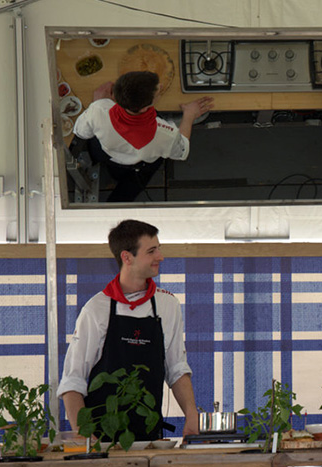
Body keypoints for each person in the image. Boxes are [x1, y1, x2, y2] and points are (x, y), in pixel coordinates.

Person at [57, 219, 199, 439]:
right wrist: (85, 436)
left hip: (150, 439)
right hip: (101, 440)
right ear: (126, 257)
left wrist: (192, 417)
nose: (160, 257)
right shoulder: (96, 309)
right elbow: (72, 381)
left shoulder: (167, 305)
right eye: (152, 251)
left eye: (159, 249)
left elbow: (177, 368)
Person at [72, 71, 214, 202]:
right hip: (140, 163)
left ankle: (115, 177)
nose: (161, 86)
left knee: (114, 171)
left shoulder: (98, 109)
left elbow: (81, 132)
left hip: (107, 154)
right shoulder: (163, 133)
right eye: (158, 91)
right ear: (144, 108)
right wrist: (189, 114)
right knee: (135, 180)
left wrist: (97, 103)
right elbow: (182, 151)